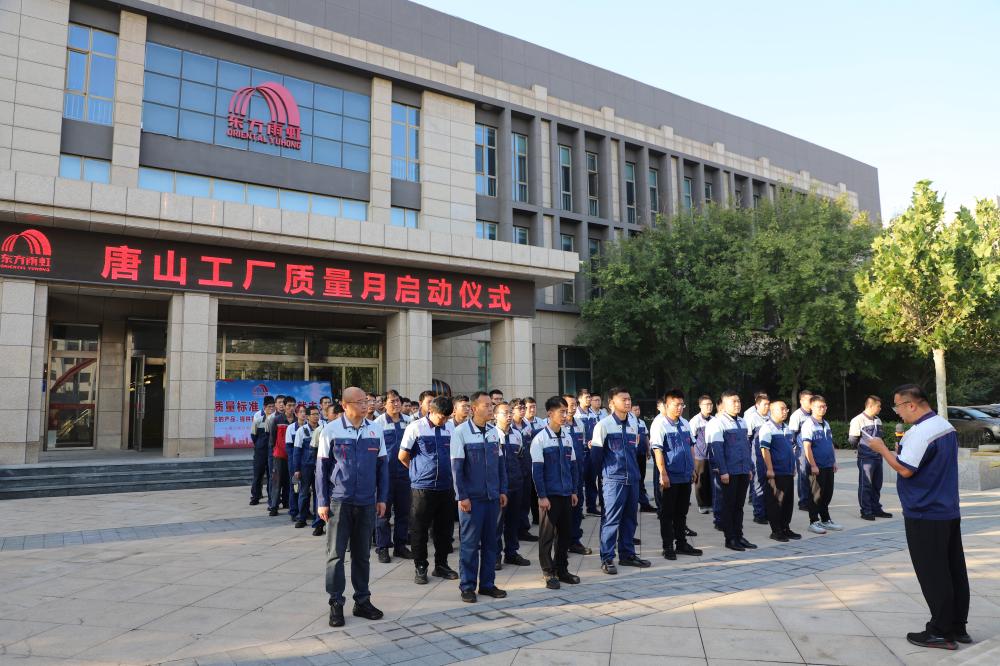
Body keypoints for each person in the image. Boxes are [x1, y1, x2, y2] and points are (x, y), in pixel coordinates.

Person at [864, 384, 970, 650]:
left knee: (934, 573)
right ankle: (958, 626)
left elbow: (905, 469)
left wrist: (881, 449)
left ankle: (941, 631)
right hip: (946, 509)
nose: (897, 413)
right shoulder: (944, 426)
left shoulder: (921, 432)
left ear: (911, 404)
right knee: (953, 570)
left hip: (925, 512)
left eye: (897, 406)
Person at [316, 387, 387, 627]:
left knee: (362, 555)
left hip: (366, 501)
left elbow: (382, 467)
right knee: (335, 555)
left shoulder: (375, 429)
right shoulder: (331, 430)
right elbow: (321, 469)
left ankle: (362, 601)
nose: (365, 405)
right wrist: (322, 502)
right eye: (359, 402)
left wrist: (382, 498)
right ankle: (336, 603)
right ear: (345, 406)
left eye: (366, 401)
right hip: (340, 501)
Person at [451, 392, 508, 603]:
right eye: (486, 405)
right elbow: (456, 468)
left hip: (492, 497)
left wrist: (502, 490)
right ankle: (467, 586)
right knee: (470, 544)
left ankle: (487, 584)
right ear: (474, 409)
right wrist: (462, 496)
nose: (491, 408)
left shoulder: (494, 433)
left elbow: (500, 465)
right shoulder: (461, 432)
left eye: (491, 405)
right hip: (472, 500)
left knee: (491, 543)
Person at [399, 396, 459, 584]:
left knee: (444, 529)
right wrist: (418, 472)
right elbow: (403, 456)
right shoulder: (415, 428)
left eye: (447, 417)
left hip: (446, 487)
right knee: (419, 529)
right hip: (422, 488)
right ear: (431, 411)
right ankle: (420, 565)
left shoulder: (450, 428)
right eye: (441, 417)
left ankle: (441, 565)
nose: (444, 420)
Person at [590, 387, 651, 574]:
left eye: (629, 398)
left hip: (632, 479)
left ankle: (627, 554)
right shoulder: (604, 425)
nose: (627, 402)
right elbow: (596, 457)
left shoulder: (633, 424)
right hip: (613, 481)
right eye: (623, 399)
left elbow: (636, 453)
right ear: (611, 403)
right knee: (610, 521)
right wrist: (601, 479)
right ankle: (607, 558)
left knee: (630, 519)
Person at [532, 396, 581, 589]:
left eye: (566, 411)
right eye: (561, 412)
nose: (565, 415)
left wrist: (574, 490)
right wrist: (542, 496)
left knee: (565, 535)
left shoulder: (567, 437)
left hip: (566, 494)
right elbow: (537, 471)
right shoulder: (540, 439)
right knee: (547, 536)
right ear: (550, 413)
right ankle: (548, 572)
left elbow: (573, 466)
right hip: (549, 496)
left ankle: (562, 569)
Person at [650, 390, 702, 560]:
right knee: (667, 514)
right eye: (676, 404)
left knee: (681, 512)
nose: (679, 408)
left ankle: (681, 543)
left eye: (682, 404)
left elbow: (691, 446)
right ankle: (668, 547)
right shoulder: (660, 424)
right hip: (670, 476)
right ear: (666, 405)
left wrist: (693, 469)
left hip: (685, 475)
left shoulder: (685, 423)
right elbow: (658, 450)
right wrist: (662, 474)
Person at [707, 390, 755, 551]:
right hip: (729, 471)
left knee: (739, 506)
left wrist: (749, 467)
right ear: (724, 404)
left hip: (743, 470)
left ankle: (739, 535)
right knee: (728, 506)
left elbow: (746, 447)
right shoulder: (718, 422)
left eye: (738, 401)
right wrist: (723, 471)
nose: (737, 404)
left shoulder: (742, 422)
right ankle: (730, 538)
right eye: (733, 402)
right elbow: (717, 449)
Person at [374, 390, 414, 563]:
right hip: (385, 475)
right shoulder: (378, 424)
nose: (396, 404)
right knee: (382, 513)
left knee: (403, 512)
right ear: (384, 404)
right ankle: (382, 547)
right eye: (392, 401)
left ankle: (400, 546)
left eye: (398, 400)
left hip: (405, 473)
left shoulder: (409, 422)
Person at [491, 401, 531, 568]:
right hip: (498, 487)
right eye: (504, 413)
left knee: (513, 522)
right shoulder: (491, 434)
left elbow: (521, 458)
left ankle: (512, 553)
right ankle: (495, 555)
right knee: (496, 523)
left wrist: (522, 477)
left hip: (516, 484)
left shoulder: (517, 434)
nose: (509, 415)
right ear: (495, 416)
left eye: (510, 412)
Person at [757, 400, 800, 542]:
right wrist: (769, 469)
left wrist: (793, 466)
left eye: (786, 409)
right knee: (776, 502)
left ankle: (785, 528)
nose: (785, 411)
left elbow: (791, 448)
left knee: (787, 502)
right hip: (776, 472)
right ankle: (776, 531)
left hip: (787, 471)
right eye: (781, 409)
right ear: (772, 411)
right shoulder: (767, 428)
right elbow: (765, 449)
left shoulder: (786, 428)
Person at [801, 395, 842, 534]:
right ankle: (813, 521)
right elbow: (807, 447)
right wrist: (813, 465)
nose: (823, 409)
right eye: (820, 406)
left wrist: (834, 461)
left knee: (827, 493)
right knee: (816, 495)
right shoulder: (808, 424)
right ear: (812, 407)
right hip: (816, 466)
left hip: (828, 464)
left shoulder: (826, 423)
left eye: (824, 406)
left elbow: (830, 443)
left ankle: (825, 520)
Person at [850, 396, 893, 520]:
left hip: (878, 457)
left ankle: (876, 509)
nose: (880, 408)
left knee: (877, 485)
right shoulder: (857, 420)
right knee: (866, 485)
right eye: (878, 406)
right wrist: (863, 449)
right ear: (870, 406)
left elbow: (880, 438)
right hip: (866, 458)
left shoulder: (878, 420)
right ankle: (866, 511)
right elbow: (853, 440)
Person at [563, 394, 592, 555]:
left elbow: (583, 448)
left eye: (574, 404)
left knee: (577, 507)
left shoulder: (580, 423)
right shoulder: (556, 425)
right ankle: (561, 543)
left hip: (578, 472)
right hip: (562, 474)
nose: (572, 408)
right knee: (563, 509)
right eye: (569, 405)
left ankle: (574, 540)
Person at [509, 398, 539, 543]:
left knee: (525, 502)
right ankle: (511, 531)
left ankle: (523, 530)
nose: (522, 410)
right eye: (519, 408)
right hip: (513, 471)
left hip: (526, 469)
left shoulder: (527, 426)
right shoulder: (508, 427)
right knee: (513, 504)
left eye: (523, 408)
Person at [292, 405, 321, 529]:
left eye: (317, 414)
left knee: (318, 493)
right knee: (303, 493)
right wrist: (296, 469)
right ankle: (302, 518)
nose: (316, 416)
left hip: (319, 466)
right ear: (308, 417)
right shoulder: (301, 431)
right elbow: (297, 451)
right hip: (305, 467)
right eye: (313, 414)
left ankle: (317, 519)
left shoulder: (323, 428)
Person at [744, 393, 770, 525]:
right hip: (756, 456)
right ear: (757, 405)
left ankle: (767, 511)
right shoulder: (751, 418)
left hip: (769, 456)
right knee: (758, 484)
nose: (767, 407)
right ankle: (759, 514)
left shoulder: (771, 417)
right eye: (764, 404)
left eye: (768, 404)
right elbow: (747, 440)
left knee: (768, 484)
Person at [268, 397, 296, 517]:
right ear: (284, 406)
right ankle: (274, 506)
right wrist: (274, 452)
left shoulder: (297, 420)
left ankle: (288, 503)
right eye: (289, 405)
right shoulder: (277, 419)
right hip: (279, 455)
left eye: (293, 405)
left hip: (293, 456)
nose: (291, 408)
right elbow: (272, 438)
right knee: (277, 481)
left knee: (291, 481)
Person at [575, 389, 600, 516]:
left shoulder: (593, 414)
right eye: (586, 397)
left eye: (590, 397)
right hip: (581, 452)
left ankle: (591, 506)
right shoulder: (576, 414)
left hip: (592, 451)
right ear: (579, 399)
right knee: (579, 481)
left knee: (591, 480)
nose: (589, 399)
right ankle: (578, 509)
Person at [788, 389, 814, 511]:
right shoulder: (796, 416)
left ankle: (812, 499)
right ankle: (803, 502)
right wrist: (795, 450)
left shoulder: (813, 414)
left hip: (813, 449)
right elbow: (792, 436)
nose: (811, 402)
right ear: (801, 401)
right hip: (801, 451)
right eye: (809, 400)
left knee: (812, 476)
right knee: (803, 476)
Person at [689, 395, 714, 515]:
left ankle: (710, 503)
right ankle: (702, 504)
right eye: (706, 404)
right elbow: (691, 440)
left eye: (710, 404)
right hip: (700, 456)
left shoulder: (714, 420)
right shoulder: (695, 421)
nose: (709, 406)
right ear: (700, 406)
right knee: (700, 481)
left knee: (711, 480)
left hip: (712, 455)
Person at [250, 396, 275, 505]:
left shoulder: (276, 419)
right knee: (258, 475)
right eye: (269, 406)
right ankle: (255, 496)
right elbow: (253, 435)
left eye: (273, 406)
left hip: (272, 452)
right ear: (264, 407)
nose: (271, 408)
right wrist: (259, 445)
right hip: (260, 452)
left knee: (271, 476)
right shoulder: (257, 418)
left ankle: (271, 497)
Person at [284, 404, 307, 523]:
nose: (303, 414)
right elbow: (289, 448)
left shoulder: (309, 427)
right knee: (295, 487)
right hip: (294, 462)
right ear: (296, 414)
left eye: (305, 412)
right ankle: (293, 511)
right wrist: (295, 463)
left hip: (307, 462)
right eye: (301, 412)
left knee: (306, 488)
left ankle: (304, 511)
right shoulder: (291, 428)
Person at [632, 404, 656, 514]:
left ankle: (643, 501)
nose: (637, 411)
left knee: (642, 478)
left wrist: (648, 450)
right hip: (634, 455)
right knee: (637, 479)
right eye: (635, 409)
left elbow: (646, 436)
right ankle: (643, 503)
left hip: (642, 454)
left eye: (638, 409)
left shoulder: (641, 422)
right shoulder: (629, 422)